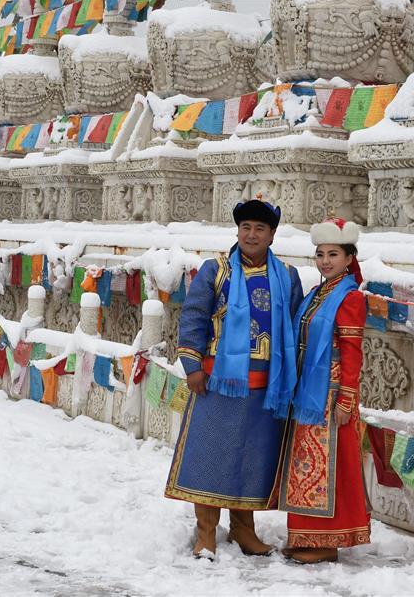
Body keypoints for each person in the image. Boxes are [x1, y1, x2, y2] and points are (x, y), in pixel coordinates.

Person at [165, 199, 304, 559]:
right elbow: (194, 317)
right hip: (217, 382)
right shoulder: (216, 270)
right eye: (246, 228)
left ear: (272, 235)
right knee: (209, 457)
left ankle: (245, 530)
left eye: (260, 228)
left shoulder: (287, 277)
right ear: (237, 232)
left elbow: (294, 328)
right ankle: (206, 533)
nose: (252, 234)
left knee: (251, 459)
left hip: (267, 389)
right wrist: (192, 366)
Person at [273, 217, 371, 564]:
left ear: (348, 258)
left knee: (329, 468)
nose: (325, 261)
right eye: (320, 254)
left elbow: (352, 354)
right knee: (306, 466)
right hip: (309, 395)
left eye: (333, 254)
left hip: (331, 398)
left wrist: (346, 398)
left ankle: (327, 541)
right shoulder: (318, 293)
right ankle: (306, 537)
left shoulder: (350, 298)